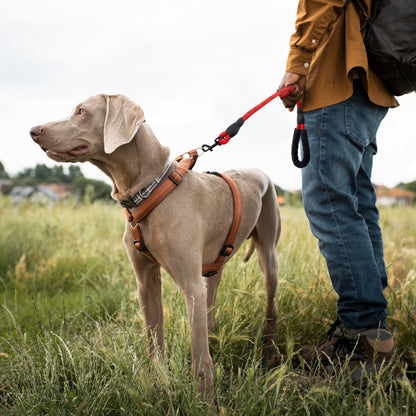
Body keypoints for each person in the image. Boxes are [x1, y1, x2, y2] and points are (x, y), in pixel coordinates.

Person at [278, 0, 401, 382]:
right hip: (368, 86)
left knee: (330, 205)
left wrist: (297, 65)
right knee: (359, 207)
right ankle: (366, 326)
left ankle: (365, 333)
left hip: (337, 83)